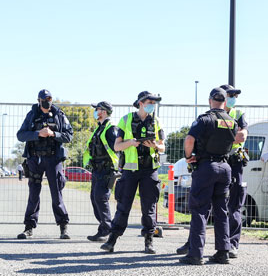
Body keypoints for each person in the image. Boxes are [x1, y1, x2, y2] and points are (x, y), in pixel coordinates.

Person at [176, 84, 248, 258]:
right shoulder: (232, 122)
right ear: (224, 101)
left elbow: (189, 139)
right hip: (225, 167)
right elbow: (238, 137)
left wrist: (188, 156)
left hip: (206, 166)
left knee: (200, 209)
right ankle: (223, 252)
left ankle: (195, 254)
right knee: (221, 210)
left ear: (210, 101)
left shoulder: (204, 119)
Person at [100, 91, 165, 254]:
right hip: (130, 170)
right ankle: (112, 240)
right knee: (123, 206)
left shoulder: (156, 121)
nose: (152, 105)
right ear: (141, 103)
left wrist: (155, 146)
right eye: (150, 102)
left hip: (150, 170)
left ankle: (149, 241)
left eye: (154, 102)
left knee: (149, 207)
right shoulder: (126, 120)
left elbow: (163, 146)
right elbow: (117, 146)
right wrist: (131, 143)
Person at [15, 89, 73, 239]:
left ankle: (63, 228)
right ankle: (29, 228)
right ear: (39, 100)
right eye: (45, 99)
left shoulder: (59, 115)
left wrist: (54, 134)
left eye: (50, 98)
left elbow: (69, 135)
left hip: (53, 160)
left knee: (56, 195)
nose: (48, 101)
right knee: (33, 194)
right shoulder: (32, 115)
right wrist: (37, 134)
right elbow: (21, 135)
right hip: (35, 159)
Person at [83, 101, 119, 242]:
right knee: (94, 198)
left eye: (97, 109)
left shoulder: (111, 128)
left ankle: (107, 229)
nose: (95, 112)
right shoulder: (100, 128)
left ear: (103, 111)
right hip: (97, 169)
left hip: (106, 169)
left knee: (101, 198)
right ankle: (104, 227)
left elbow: (117, 148)